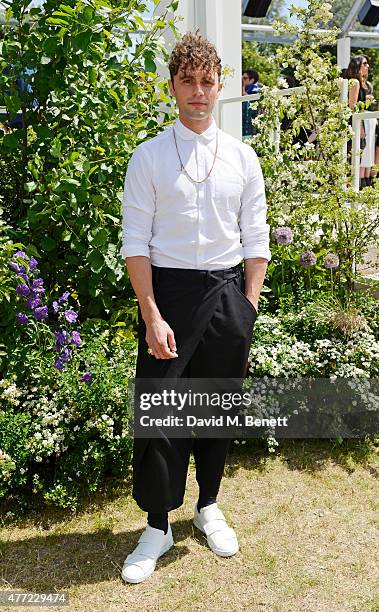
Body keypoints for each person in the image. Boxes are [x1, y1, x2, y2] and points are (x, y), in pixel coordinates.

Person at [119, 31, 271, 584]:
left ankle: (208, 505)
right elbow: (135, 240)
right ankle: (157, 525)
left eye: (208, 81)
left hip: (228, 295)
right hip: (170, 296)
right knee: (161, 415)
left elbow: (256, 238)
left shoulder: (242, 157)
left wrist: (247, 307)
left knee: (215, 410)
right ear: (174, 86)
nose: (200, 92)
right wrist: (151, 313)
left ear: (220, 85)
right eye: (189, 81)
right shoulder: (150, 156)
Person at [346, 55, 370, 189]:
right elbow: (352, 107)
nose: (368, 66)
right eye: (365, 64)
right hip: (353, 125)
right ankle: (349, 188)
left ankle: (350, 187)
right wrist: (359, 127)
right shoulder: (354, 82)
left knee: (355, 157)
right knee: (353, 157)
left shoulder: (359, 82)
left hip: (356, 124)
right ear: (358, 66)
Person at [242, 69, 261, 139]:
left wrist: (242, 89)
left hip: (252, 130)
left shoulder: (256, 89)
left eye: (245, 78)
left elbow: (249, 100)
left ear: (252, 80)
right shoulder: (245, 89)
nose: (242, 80)